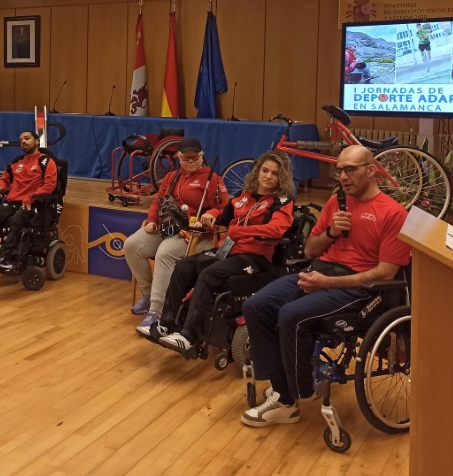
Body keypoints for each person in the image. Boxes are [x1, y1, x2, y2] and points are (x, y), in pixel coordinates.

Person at [240, 144, 410, 428]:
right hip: (319, 271)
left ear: (371, 170)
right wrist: (331, 232)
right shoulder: (336, 202)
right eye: (339, 170)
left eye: (350, 170)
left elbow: (386, 271)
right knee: (256, 305)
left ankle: (291, 397)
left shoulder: (394, 213)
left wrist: (329, 282)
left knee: (290, 315)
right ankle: (282, 387)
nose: (343, 176)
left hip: (359, 288)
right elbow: (309, 250)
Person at [155, 151, 295, 354]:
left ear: (281, 177)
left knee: (209, 274)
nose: (268, 176)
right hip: (227, 250)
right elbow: (222, 213)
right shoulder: (243, 196)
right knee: (184, 266)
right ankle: (167, 324)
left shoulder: (282, 202)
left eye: (275, 173)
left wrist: (240, 232)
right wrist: (211, 215)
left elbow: (276, 230)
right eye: (265, 170)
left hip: (254, 258)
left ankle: (188, 336)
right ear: (258, 171)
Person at [124, 137, 229, 337]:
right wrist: (152, 219)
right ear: (178, 157)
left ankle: (157, 311)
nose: (191, 161)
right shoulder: (171, 177)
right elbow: (158, 200)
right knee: (132, 245)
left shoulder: (213, 179)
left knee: (165, 253)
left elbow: (224, 207)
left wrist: (211, 214)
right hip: (168, 227)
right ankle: (148, 295)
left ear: (202, 156)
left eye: (195, 157)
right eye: (186, 158)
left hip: (197, 235)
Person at [0, 130, 57, 271]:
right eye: (21, 140)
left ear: (37, 142)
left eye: (27, 138)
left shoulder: (46, 162)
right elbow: (5, 179)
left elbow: (49, 186)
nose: (23, 142)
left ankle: (6, 258)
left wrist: (32, 197)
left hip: (34, 204)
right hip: (13, 203)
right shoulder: (17, 162)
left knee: (17, 219)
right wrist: (1, 186)